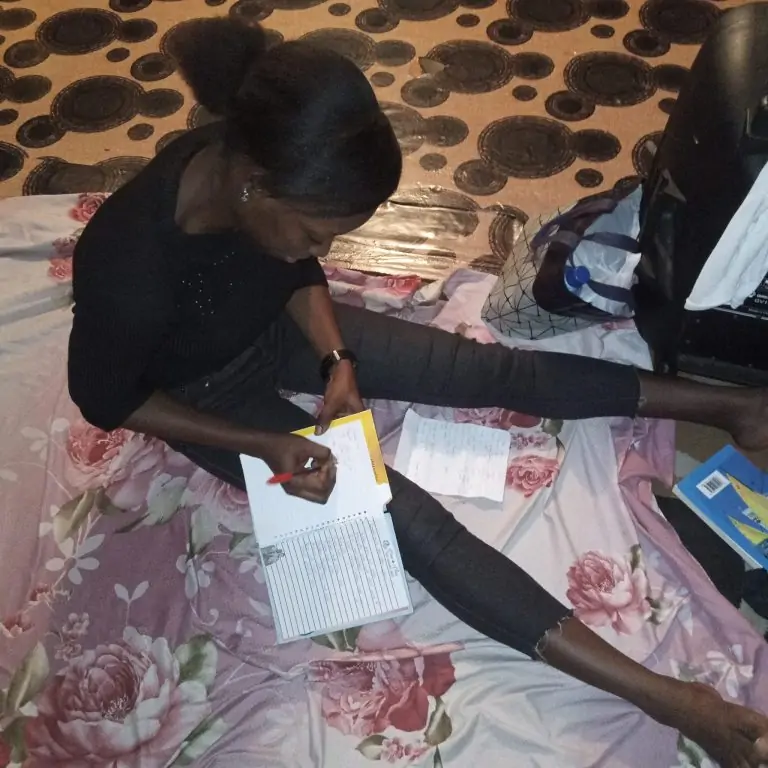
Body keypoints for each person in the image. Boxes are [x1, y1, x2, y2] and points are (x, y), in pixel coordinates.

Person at [67, 17, 768, 767]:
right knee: (405, 518)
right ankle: (669, 698)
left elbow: (293, 269)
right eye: (316, 232)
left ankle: (731, 405)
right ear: (252, 189)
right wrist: (266, 443)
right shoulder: (129, 263)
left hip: (272, 328)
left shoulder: (262, 165)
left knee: (487, 371)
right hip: (203, 394)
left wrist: (337, 358)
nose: (324, 252)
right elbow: (106, 401)